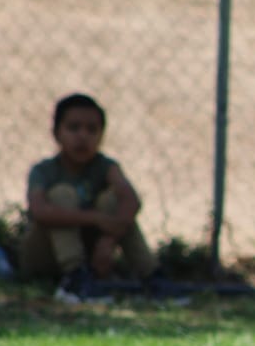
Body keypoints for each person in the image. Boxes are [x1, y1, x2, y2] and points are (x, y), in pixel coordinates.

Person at [20, 93, 164, 304]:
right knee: (62, 195)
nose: (82, 136)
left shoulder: (106, 167)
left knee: (114, 200)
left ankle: (151, 276)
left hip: (94, 257)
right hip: (44, 256)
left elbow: (131, 200)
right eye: (74, 128)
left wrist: (108, 240)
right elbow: (40, 211)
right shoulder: (44, 171)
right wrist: (96, 218)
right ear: (56, 133)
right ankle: (74, 276)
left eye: (92, 130)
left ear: (102, 135)